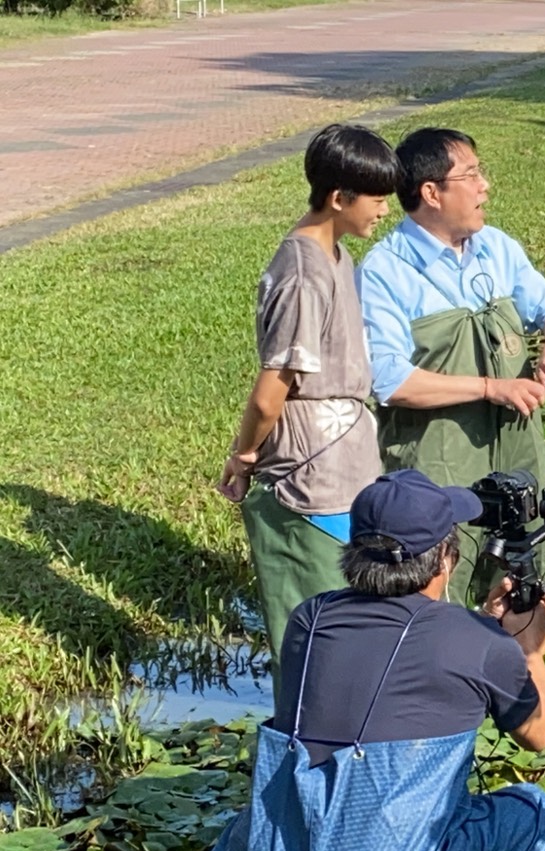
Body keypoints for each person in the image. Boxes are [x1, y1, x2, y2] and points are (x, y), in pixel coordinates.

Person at [207, 470, 545, 851]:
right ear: (445, 558)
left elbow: (411, 659)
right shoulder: (480, 642)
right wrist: (528, 652)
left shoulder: (310, 617)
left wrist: (482, 627)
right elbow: (540, 735)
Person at [358, 127, 545, 607]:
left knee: (523, 590)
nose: (485, 186)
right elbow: (390, 380)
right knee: (440, 592)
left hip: (516, 455)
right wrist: (491, 387)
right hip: (438, 464)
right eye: (472, 174)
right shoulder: (384, 271)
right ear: (431, 193)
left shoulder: (497, 248)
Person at [217, 123, 401, 659]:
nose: (383, 211)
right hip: (311, 467)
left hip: (347, 458)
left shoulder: (338, 255)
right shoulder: (302, 273)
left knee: (352, 609)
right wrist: (245, 455)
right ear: (339, 197)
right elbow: (271, 390)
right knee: (315, 616)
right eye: (376, 199)